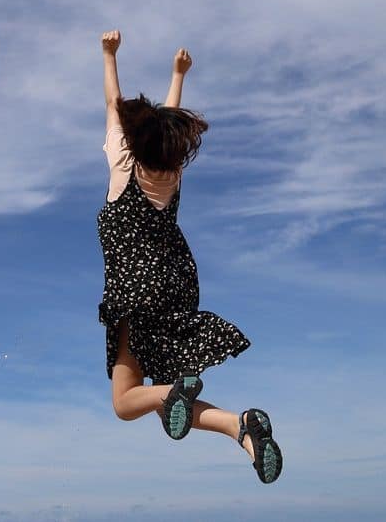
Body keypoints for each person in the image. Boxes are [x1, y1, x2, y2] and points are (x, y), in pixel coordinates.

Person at [98, 29, 281, 484]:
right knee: (164, 403)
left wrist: (108, 56)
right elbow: (167, 120)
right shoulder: (172, 173)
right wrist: (178, 74)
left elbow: (112, 102)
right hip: (176, 286)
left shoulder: (125, 165)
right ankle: (241, 429)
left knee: (125, 403)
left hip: (135, 290)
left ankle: (178, 392)